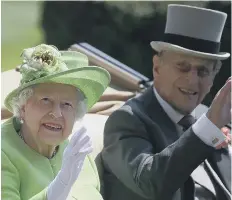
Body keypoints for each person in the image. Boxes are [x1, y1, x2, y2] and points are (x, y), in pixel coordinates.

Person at [102, 4, 231, 200]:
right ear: (157, 67)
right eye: (183, 67)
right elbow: (151, 183)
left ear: (214, 76)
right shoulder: (128, 121)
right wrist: (207, 129)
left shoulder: (210, 116)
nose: (193, 80)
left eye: (203, 71)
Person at [1, 44, 110, 200]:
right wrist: (59, 187)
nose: (57, 113)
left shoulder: (79, 155)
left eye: (67, 104)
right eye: (46, 100)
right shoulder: (3, 153)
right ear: (23, 107)